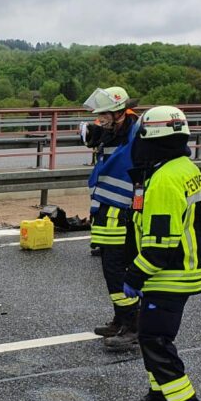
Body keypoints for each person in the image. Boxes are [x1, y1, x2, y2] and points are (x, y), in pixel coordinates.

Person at [117, 105, 201, 401]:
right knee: (149, 337)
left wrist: (134, 275)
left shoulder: (165, 180)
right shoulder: (182, 166)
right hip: (178, 270)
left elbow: (161, 245)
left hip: (168, 274)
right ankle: (160, 396)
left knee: (156, 340)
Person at [82, 87, 141, 345]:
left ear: (118, 112)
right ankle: (120, 318)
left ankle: (133, 325)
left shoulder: (135, 130)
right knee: (110, 267)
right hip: (106, 208)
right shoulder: (114, 132)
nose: (100, 120)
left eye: (104, 115)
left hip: (124, 210)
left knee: (118, 268)